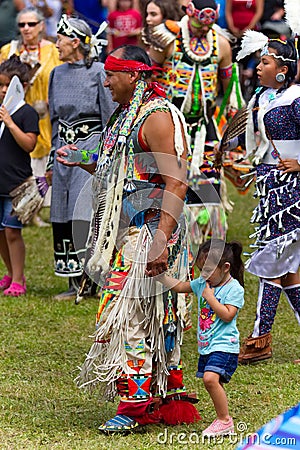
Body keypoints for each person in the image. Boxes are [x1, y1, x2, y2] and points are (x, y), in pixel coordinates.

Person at [57, 44, 201, 432]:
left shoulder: (155, 117)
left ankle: (135, 407)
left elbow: (176, 180)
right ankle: (158, 398)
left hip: (151, 230)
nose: (106, 82)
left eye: (112, 74)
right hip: (129, 232)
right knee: (144, 314)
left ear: (134, 75)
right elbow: (120, 172)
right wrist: (82, 160)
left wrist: (160, 240)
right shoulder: (126, 116)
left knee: (132, 314)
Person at [225, 31, 300, 363]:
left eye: (265, 62)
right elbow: (256, 142)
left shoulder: (296, 98)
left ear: (282, 69)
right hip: (271, 186)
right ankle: (260, 340)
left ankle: (259, 340)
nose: (258, 66)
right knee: (288, 271)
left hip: (293, 192)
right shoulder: (263, 97)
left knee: (272, 264)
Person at [148, 0, 242, 244]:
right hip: (169, 124)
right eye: (200, 23)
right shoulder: (167, 38)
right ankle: (166, 231)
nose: (204, 29)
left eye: (209, 24)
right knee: (169, 178)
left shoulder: (221, 44)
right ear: (189, 14)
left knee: (209, 177)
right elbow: (149, 78)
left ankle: (206, 238)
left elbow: (230, 87)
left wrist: (234, 119)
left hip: (204, 125)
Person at [46, 15, 116, 300]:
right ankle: (74, 281)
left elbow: (110, 117)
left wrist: (102, 157)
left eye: (61, 39)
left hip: (89, 147)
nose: (56, 44)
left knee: (84, 211)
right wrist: (53, 158)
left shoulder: (99, 72)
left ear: (76, 42)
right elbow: (53, 119)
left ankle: (93, 279)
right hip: (64, 149)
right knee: (61, 210)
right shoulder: (56, 74)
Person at [160, 239, 244, 437]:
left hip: (225, 346)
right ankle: (222, 418)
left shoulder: (234, 289)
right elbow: (181, 287)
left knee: (210, 379)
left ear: (225, 268)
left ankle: (224, 420)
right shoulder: (202, 283)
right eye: (200, 270)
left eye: (207, 271)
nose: (202, 276)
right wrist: (160, 277)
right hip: (207, 346)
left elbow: (227, 315)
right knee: (214, 382)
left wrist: (209, 297)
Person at [0, 6, 61, 227]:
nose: (26, 29)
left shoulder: (53, 51)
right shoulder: (9, 50)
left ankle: (39, 206)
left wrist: (48, 102)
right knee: (26, 160)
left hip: (46, 114)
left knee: (44, 163)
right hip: (16, 114)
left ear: (42, 26)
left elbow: (60, 78)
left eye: (31, 24)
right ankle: (28, 209)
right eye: (22, 25)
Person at [0, 55, 39, 296]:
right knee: (0, 232)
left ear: (21, 86)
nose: (3, 90)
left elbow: (29, 145)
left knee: (13, 231)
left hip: (17, 184)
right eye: (0, 85)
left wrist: (10, 123)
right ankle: (9, 272)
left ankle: (18, 278)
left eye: (7, 85)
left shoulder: (26, 113)